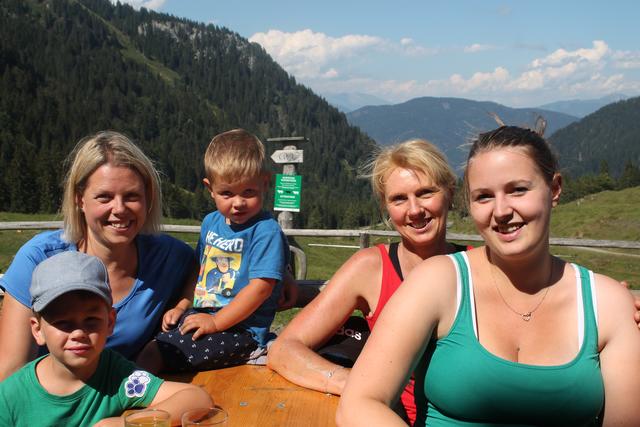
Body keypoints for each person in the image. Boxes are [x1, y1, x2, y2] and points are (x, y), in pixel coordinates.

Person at [337, 125, 640, 426]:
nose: (501, 211)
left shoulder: (607, 303)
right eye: (483, 197)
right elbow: (361, 402)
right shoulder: (438, 283)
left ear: (555, 189)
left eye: (518, 190)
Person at [269, 139, 464, 424]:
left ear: (450, 193)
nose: (414, 210)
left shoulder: (480, 266)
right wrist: (357, 387)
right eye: (399, 199)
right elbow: (284, 350)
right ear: (385, 206)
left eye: (425, 193)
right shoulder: (372, 269)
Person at [0, 131, 196, 381]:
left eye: (132, 196)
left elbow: (212, 272)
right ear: (79, 199)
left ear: (148, 198)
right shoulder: (39, 259)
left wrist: (184, 302)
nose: (119, 209)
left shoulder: (168, 256)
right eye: (104, 197)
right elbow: (10, 373)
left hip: (124, 400)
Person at [0, 251, 212, 427]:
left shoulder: (117, 375)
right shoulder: (9, 397)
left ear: (110, 322)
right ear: (38, 330)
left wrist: (125, 423)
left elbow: (197, 398)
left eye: (91, 320)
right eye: (63, 323)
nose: (79, 333)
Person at [137, 128, 289, 373]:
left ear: (265, 183)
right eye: (227, 193)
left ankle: (134, 398)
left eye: (248, 191)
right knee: (150, 339)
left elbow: (261, 287)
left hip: (242, 329)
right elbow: (200, 269)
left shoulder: (265, 230)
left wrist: (216, 321)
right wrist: (181, 306)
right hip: (203, 316)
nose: (238, 202)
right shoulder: (210, 223)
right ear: (210, 188)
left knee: (160, 353)